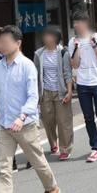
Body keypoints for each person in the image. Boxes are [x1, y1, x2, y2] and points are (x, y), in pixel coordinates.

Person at [0, 26, 60, 193]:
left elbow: (33, 96)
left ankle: (52, 188)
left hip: (25, 124)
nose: (1, 45)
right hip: (3, 126)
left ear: (17, 43)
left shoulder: (27, 65)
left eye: (5, 41)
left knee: (37, 161)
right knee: (4, 168)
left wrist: (21, 116)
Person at [68, 12, 97, 162]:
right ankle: (95, 147)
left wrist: (93, 45)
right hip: (82, 83)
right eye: (74, 22)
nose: (75, 25)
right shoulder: (72, 41)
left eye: (78, 22)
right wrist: (77, 48)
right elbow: (74, 64)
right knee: (88, 117)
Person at [34, 25, 74, 160]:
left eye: (48, 35)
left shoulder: (63, 53)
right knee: (48, 120)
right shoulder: (38, 54)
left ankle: (65, 149)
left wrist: (69, 91)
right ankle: (53, 143)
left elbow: (68, 73)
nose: (45, 37)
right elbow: (36, 75)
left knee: (64, 121)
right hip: (45, 92)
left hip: (61, 91)